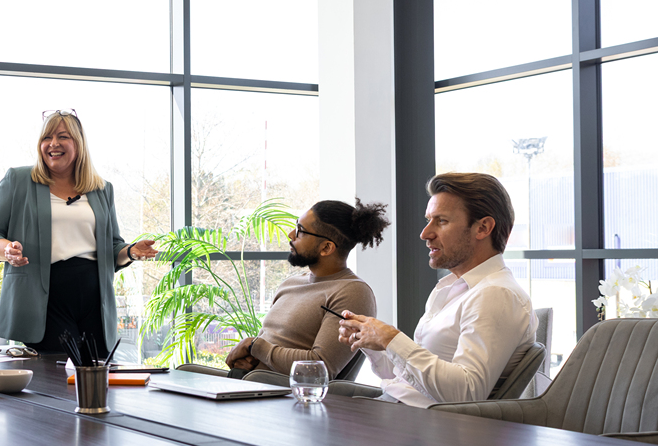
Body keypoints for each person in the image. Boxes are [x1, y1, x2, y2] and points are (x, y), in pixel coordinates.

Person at [337, 172, 537, 407]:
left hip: (423, 428)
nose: (425, 233)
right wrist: (374, 343)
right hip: (399, 410)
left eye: (441, 221)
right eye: (428, 220)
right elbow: (407, 379)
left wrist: (391, 339)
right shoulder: (452, 289)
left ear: (483, 228)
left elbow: (466, 393)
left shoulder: (496, 295)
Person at [0, 109, 158, 355]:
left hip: (95, 300)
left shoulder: (102, 189)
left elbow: (113, 248)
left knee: (95, 379)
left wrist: (131, 252)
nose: (53, 144)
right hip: (45, 299)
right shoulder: (19, 180)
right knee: (55, 379)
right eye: (46, 138)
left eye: (63, 137)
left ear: (79, 144)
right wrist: (6, 250)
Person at [223, 199, 390, 380]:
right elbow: (268, 348)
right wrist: (252, 359)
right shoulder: (290, 284)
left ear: (326, 247)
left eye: (301, 231)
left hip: (288, 399)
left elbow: (320, 367)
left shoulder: (352, 292)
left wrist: (253, 346)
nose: (291, 234)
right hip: (253, 384)